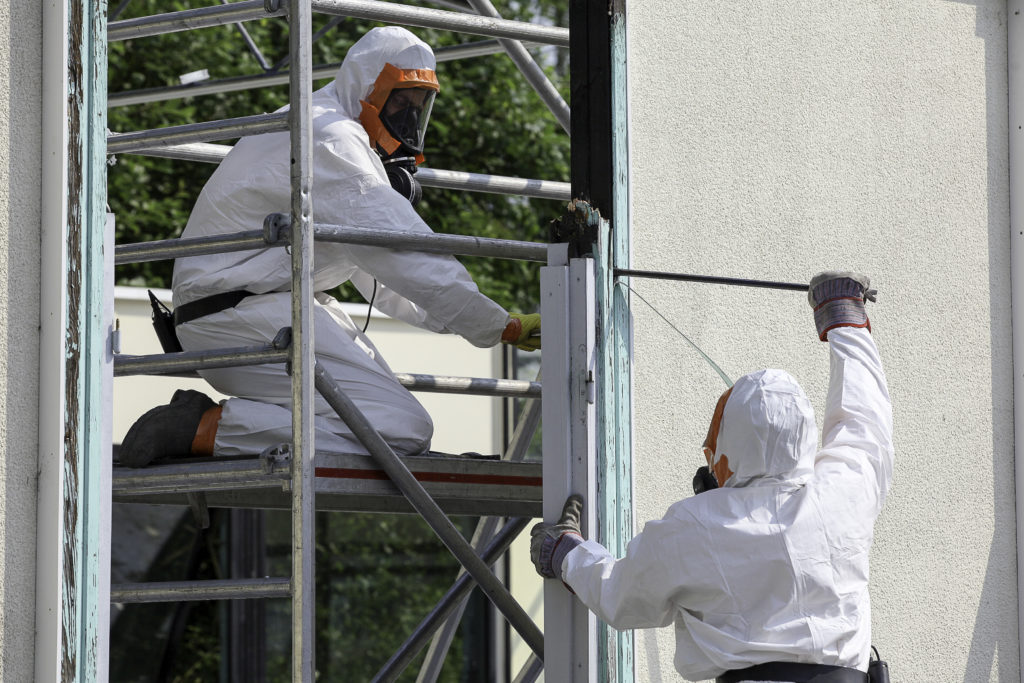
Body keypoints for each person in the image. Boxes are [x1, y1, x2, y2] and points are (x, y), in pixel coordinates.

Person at [119, 26, 540, 467]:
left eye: (419, 107)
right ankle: (202, 428)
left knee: (394, 426)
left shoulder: (327, 131)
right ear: (367, 88)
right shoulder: (331, 137)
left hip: (253, 310)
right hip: (237, 316)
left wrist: (486, 322)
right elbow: (401, 250)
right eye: (400, 101)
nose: (408, 120)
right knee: (400, 430)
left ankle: (219, 425)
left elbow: (385, 276)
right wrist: (496, 325)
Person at [531, 271, 893, 683]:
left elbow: (621, 595)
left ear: (728, 446)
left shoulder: (695, 524)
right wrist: (844, 317)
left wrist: (565, 552)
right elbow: (864, 417)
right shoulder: (843, 494)